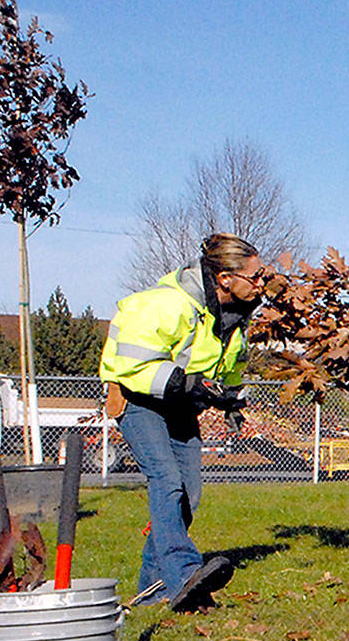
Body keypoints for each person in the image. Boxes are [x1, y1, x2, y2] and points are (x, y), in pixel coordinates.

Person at [99, 234, 265, 611]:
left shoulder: (235, 315)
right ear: (225, 277)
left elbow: (232, 361)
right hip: (138, 399)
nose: (260, 284)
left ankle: (151, 589)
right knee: (167, 481)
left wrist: (232, 401)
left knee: (189, 492)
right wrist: (182, 383)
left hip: (180, 404)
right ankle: (184, 574)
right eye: (254, 277)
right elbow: (131, 363)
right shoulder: (168, 304)